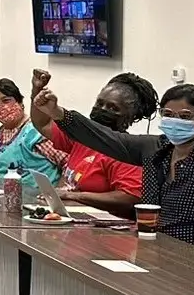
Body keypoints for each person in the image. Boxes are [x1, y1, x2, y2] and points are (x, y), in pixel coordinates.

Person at [37, 82, 194, 257]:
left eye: (184, 116)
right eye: (167, 115)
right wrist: (58, 113)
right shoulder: (155, 148)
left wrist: (191, 256)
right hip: (152, 249)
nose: (175, 121)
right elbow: (104, 138)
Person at [27, 69, 146, 219]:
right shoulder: (83, 139)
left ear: (129, 118)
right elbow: (43, 123)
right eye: (99, 103)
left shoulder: (126, 152)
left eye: (112, 108)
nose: (102, 110)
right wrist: (37, 90)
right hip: (74, 219)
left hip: (108, 230)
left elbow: (130, 198)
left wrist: (76, 196)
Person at [0, 79, 63, 179]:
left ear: (20, 103)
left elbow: (70, 165)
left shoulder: (37, 133)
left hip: (36, 193)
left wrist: (60, 191)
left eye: (6, 101)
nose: (1, 107)